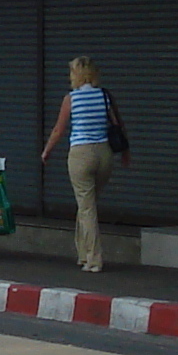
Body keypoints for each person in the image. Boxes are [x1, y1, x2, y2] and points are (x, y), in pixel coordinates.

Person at [38, 55, 122, 274]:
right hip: (104, 153)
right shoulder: (104, 96)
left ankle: (94, 259)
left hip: (81, 154)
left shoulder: (71, 98)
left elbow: (59, 129)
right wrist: (125, 152)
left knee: (86, 207)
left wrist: (47, 151)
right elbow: (117, 125)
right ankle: (82, 253)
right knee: (87, 204)